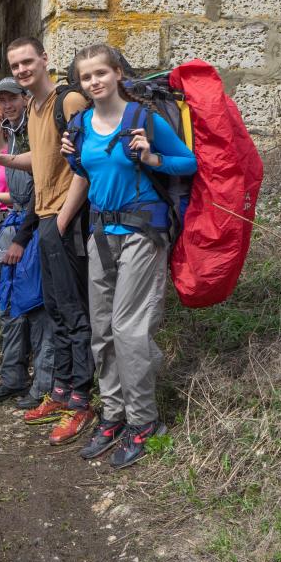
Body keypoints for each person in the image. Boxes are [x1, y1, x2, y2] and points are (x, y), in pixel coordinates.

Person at [61, 43, 196, 468]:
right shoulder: (81, 123)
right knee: (102, 329)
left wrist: (152, 157)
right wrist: (73, 161)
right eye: (86, 77)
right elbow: (91, 172)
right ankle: (113, 415)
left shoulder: (143, 119)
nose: (94, 82)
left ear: (118, 73)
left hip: (142, 232)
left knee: (129, 329)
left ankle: (144, 422)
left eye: (101, 73)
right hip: (101, 233)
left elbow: (188, 163)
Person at [0, 37, 94, 446]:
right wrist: (6, 160)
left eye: (27, 62)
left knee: (73, 311)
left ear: (44, 60)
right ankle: (61, 391)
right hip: (46, 218)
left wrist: (64, 217)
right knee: (56, 311)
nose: (22, 70)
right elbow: (44, 158)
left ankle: (80, 400)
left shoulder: (68, 102)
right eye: (16, 65)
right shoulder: (32, 107)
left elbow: (85, 163)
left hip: (67, 220)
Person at [0, 77, 55, 409]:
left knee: (36, 307)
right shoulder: (9, 137)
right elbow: (19, 193)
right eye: (2, 101)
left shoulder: (35, 132)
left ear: (25, 99)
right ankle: (12, 377)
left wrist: (22, 239)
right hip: (15, 223)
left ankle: (43, 384)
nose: (7, 105)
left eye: (12, 99)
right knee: (9, 305)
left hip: (36, 227)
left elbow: (43, 192)